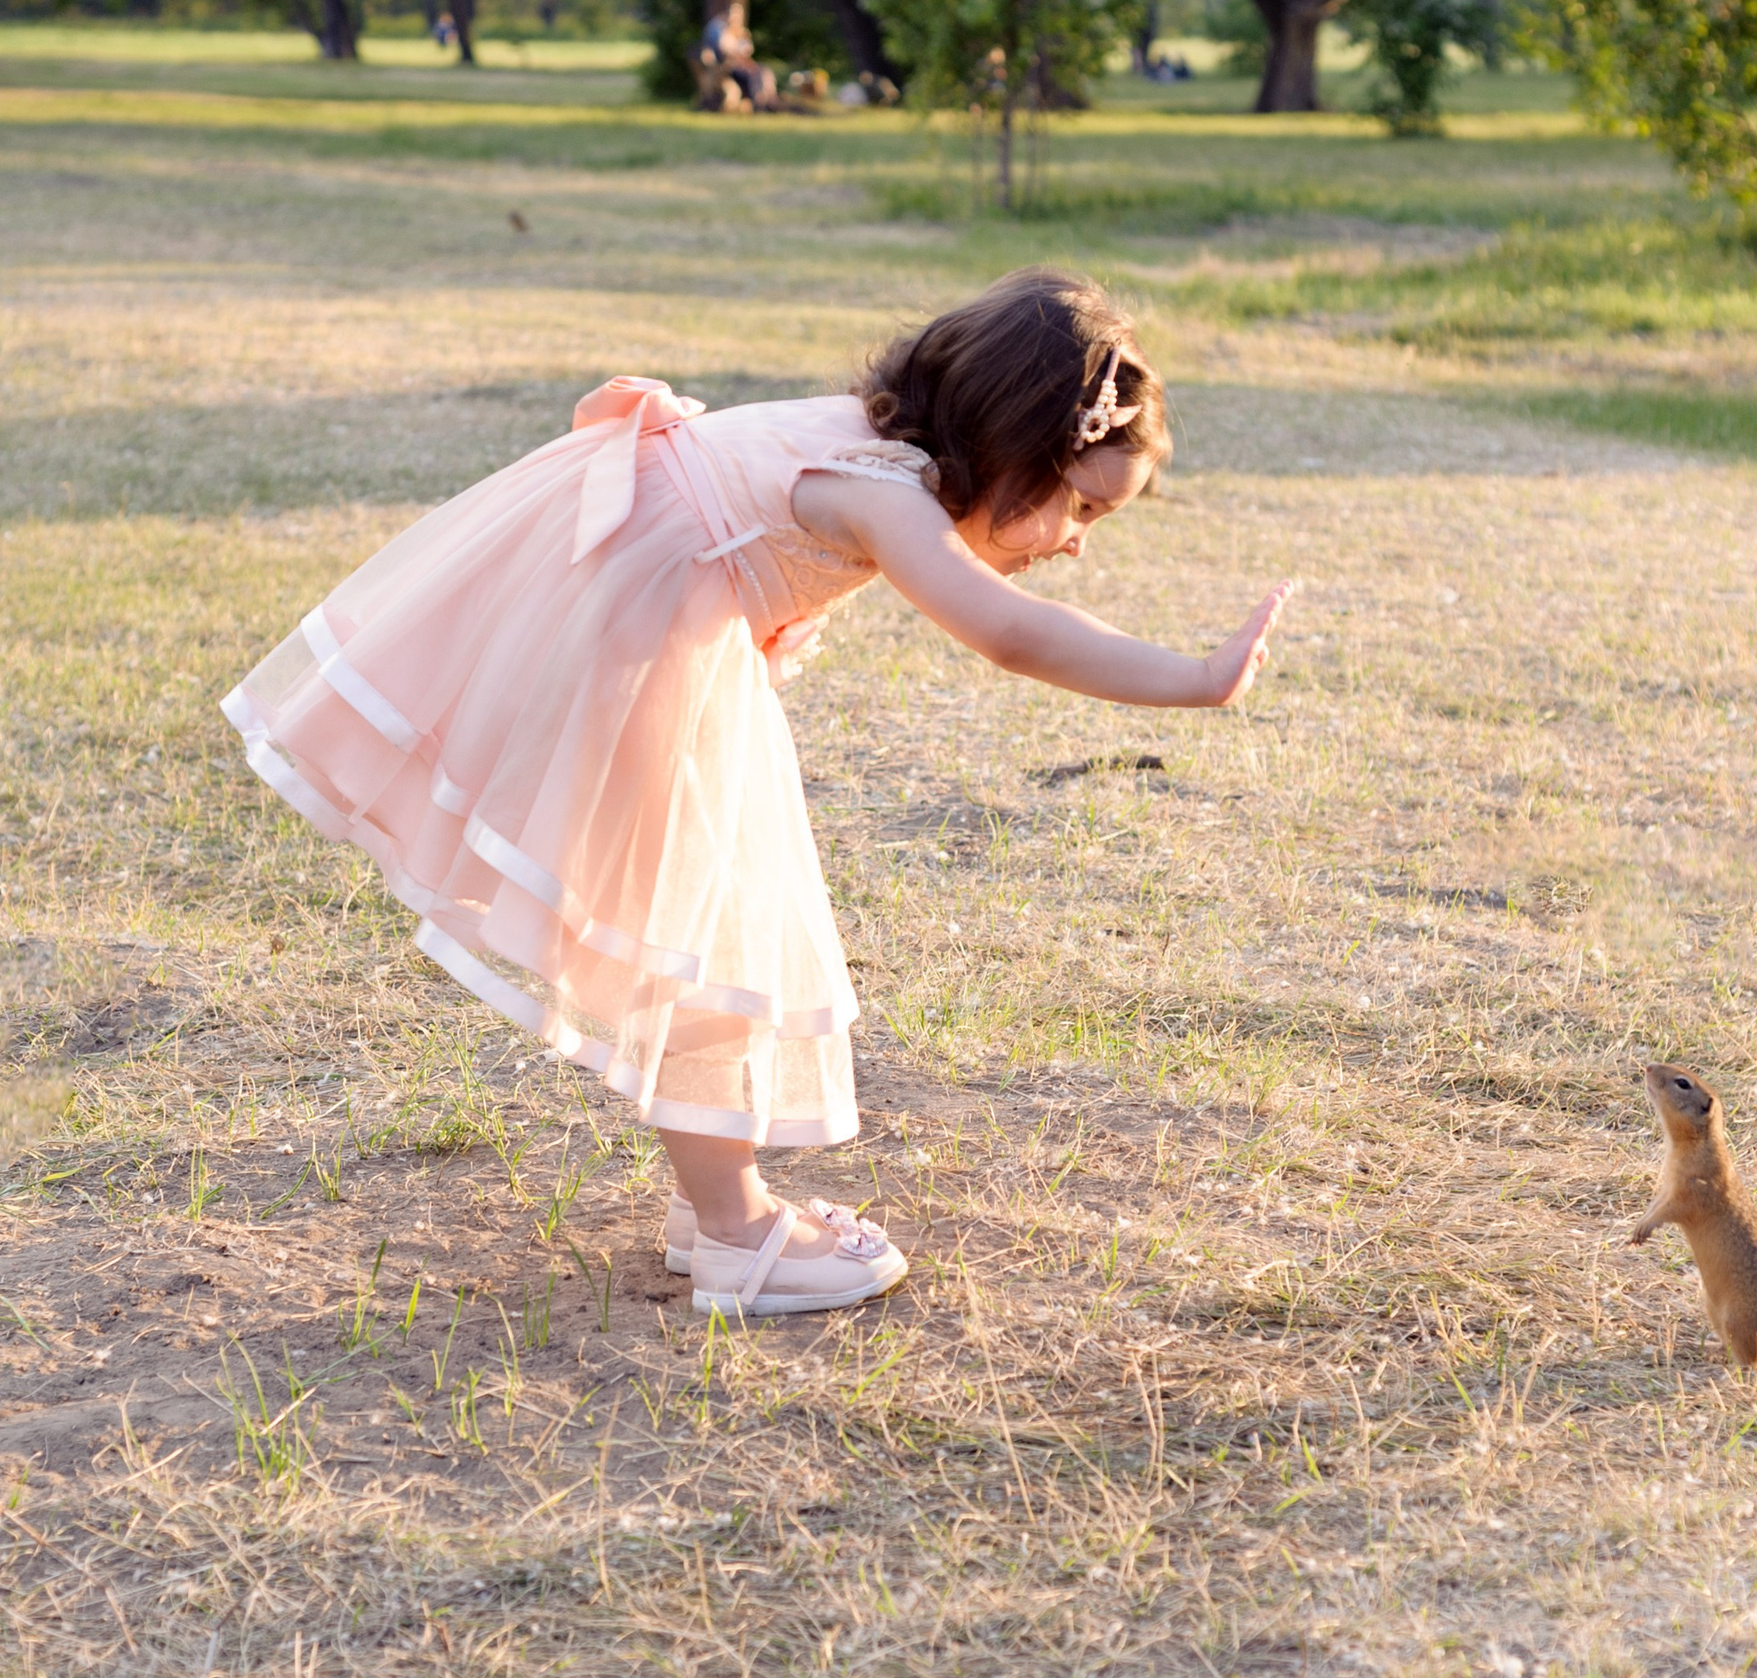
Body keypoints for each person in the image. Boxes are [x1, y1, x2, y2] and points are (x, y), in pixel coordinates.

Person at [220, 270, 1291, 1318]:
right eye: (1080, 507)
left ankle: (716, 1205)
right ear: (1015, 445)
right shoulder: (879, 491)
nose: (1075, 543)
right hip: (638, 633)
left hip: (619, 599)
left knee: (705, 914)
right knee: (710, 921)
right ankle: (732, 1230)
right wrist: (1193, 680)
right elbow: (1007, 634)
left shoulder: (863, 437)